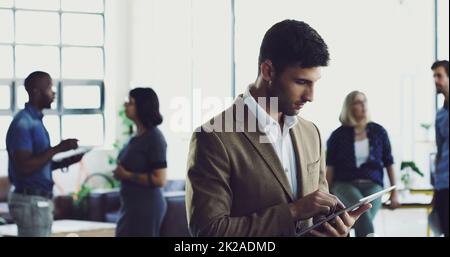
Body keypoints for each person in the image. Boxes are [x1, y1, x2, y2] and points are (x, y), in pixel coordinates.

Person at [185, 20, 371, 237]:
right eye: (301, 82)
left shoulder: (311, 133)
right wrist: (294, 211)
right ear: (268, 71)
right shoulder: (213, 137)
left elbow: (319, 214)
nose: (311, 96)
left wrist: (337, 229)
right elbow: (210, 232)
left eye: (314, 83)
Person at [6, 71, 83, 237]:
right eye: (49, 88)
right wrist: (58, 148)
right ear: (36, 92)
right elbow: (24, 167)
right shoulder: (23, 123)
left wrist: (65, 162)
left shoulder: (36, 122)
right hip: (31, 202)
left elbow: (37, 164)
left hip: (38, 201)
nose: (53, 92)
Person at [325, 91, 400, 237]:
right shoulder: (337, 135)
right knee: (363, 209)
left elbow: (389, 162)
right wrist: (327, 196)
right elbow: (330, 167)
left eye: (364, 101)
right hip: (344, 184)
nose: (363, 105)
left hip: (373, 184)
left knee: (362, 213)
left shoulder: (379, 131)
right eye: (358, 102)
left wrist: (394, 192)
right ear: (349, 107)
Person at [113, 87, 168, 237]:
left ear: (141, 107)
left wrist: (126, 175)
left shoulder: (155, 138)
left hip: (146, 207)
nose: (125, 106)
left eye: (130, 103)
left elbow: (160, 179)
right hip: (131, 206)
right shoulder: (135, 136)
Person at [431, 60, 449, 237]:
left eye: (439, 75)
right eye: (434, 76)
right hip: (444, 185)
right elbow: (439, 151)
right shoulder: (440, 115)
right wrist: (436, 188)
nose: (436, 80)